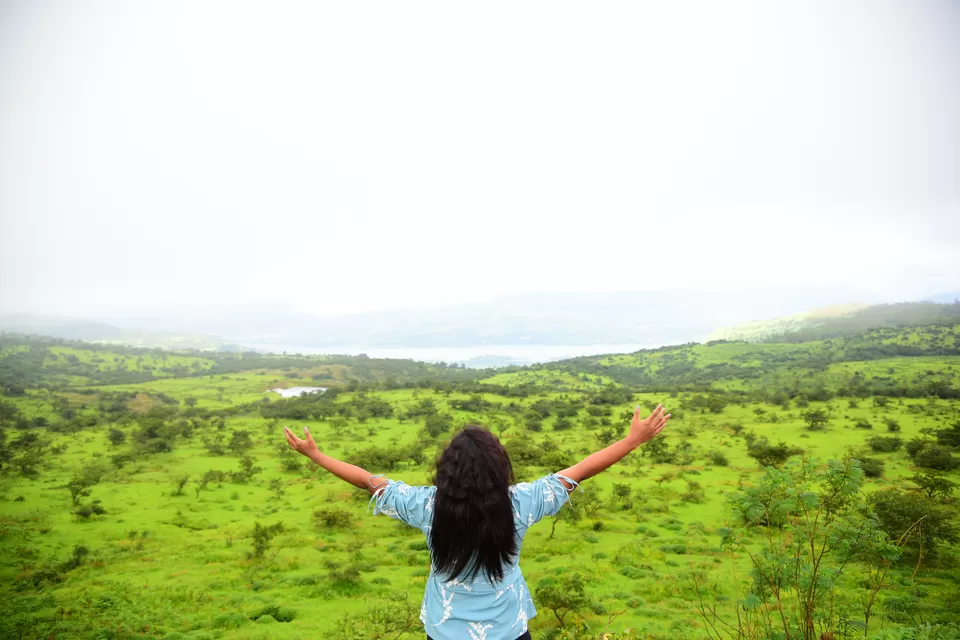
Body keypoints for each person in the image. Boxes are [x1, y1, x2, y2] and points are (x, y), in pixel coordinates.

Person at [283, 404, 670, 640]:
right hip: (508, 630)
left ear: (446, 470)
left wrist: (316, 455)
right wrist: (633, 440)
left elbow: (368, 480)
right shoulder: (521, 503)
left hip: (445, 631)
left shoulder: (428, 506)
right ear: (499, 467)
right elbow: (582, 470)